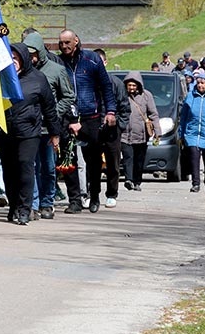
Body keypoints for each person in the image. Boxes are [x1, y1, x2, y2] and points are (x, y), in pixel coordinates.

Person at [56, 30, 117, 213]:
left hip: (91, 117)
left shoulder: (91, 59)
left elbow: (106, 86)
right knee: (68, 160)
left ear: (76, 41)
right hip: (68, 117)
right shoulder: (58, 62)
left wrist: (110, 111)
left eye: (68, 42)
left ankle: (95, 195)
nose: (65, 46)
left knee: (93, 161)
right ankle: (74, 200)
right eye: (61, 43)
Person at [0, 43, 60, 225]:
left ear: (24, 59)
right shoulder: (2, 76)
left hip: (29, 132)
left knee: (25, 167)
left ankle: (26, 209)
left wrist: (54, 133)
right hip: (6, 132)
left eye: (16, 58)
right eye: (10, 57)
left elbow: (49, 107)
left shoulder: (37, 78)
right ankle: (14, 207)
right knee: (9, 172)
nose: (12, 61)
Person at [23, 31, 76, 220]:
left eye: (34, 54)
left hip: (49, 128)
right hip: (30, 126)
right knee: (31, 166)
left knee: (48, 166)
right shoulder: (24, 70)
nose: (31, 58)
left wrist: (53, 112)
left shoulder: (56, 70)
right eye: (28, 54)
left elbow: (69, 96)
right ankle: (34, 204)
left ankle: (47, 202)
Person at [121, 72, 159, 192]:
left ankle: (137, 181)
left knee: (139, 160)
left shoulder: (146, 95)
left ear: (138, 85)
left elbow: (153, 114)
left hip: (141, 135)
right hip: (125, 134)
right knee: (128, 157)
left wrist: (158, 131)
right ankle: (129, 179)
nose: (131, 87)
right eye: (129, 85)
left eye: (134, 85)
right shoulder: (122, 95)